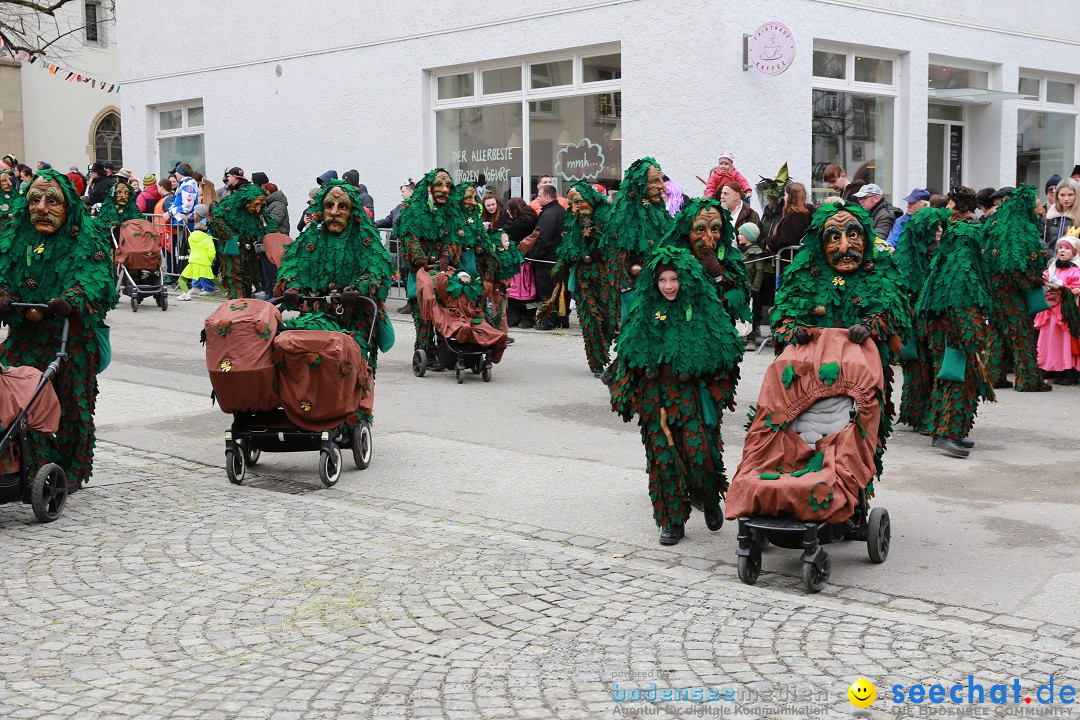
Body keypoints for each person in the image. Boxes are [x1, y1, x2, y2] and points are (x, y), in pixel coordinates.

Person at [608, 246, 745, 545]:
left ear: (684, 279)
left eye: (674, 279)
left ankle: (708, 497)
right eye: (662, 280)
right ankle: (672, 521)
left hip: (690, 397)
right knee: (663, 461)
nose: (668, 286)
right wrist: (627, 389)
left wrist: (699, 370)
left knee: (699, 454)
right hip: (655, 397)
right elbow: (628, 355)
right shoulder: (644, 308)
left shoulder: (703, 308)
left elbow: (727, 352)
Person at [770, 199, 911, 472]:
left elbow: (894, 308)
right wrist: (792, 327)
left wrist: (871, 325)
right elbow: (783, 311)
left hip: (860, 378)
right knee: (803, 438)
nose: (845, 247)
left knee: (858, 442)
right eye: (834, 237)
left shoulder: (881, 268)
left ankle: (854, 503)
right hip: (808, 379)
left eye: (853, 235)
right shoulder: (803, 269)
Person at [0, 169, 117, 491]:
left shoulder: (87, 234)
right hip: (24, 336)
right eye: (35, 199)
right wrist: (4, 297)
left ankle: (72, 469)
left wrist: (71, 300)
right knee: (14, 396)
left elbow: (98, 277)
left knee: (73, 404)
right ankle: (25, 459)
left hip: (69, 338)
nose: (42, 207)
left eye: (53, 201)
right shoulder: (13, 234)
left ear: (68, 206)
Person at [276, 180, 395, 396]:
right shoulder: (311, 238)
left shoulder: (364, 239)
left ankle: (355, 413)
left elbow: (377, 267)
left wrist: (359, 288)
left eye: (343, 207)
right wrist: (292, 286)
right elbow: (292, 265)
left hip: (355, 315)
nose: (334, 212)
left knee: (354, 370)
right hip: (317, 313)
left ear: (353, 212)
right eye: (329, 206)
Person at [914, 186, 996, 457]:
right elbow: (960, 294)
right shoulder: (962, 246)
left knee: (949, 374)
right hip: (953, 326)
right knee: (954, 376)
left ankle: (948, 431)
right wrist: (969, 331)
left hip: (944, 323)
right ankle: (947, 434)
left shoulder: (952, 244)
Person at [980, 184, 1051, 392]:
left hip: (994, 289)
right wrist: (1033, 280)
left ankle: (993, 376)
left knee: (997, 333)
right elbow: (1014, 264)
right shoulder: (1019, 225)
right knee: (1022, 334)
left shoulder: (993, 222)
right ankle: (1028, 380)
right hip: (1012, 291)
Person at [894, 205, 954, 433]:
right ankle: (917, 413)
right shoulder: (907, 253)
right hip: (913, 320)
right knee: (916, 367)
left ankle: (935, 413)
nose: (939, 231)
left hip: (938, 319)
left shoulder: (946, 252)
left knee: (936, 366)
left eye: (941, 226)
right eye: (934, 227)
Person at [551, 182, 618, 374]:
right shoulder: (573, 222)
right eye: (572, 204)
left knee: (608, 320)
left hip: (606, 276)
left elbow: (614, 245)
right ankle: (596, 361)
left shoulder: (606, 218)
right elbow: (568, 248)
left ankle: (602, 350)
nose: (576, 208)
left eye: (579, 203)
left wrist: (595, 234)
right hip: (583, 277)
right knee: (590, 319)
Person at [397, 168, 459, 352]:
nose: (445, 190)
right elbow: (409, 236)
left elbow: (453, 238)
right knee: (423, 317)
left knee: (443, 314)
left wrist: (447, 255)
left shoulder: (451, 213)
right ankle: (423, 349)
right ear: (429, 188)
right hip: (420, 272)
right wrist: (419, 258)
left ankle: (441, 350)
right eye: (439, 185)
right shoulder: (413, 211)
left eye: (448, 185)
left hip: (442, 272)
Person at [608, 158, 675, 321]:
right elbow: (616, 259)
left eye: (661, 180)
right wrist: (627, 290)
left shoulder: (659, 212)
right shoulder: (622, 216)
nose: (662, 186)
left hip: (661, 288)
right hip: (634, 290)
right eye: (655, 181)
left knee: (661, 327)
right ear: (639, 185)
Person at [207, 183, 268, 299]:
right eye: (256, 204)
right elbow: (215, 218)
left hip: (248, 249)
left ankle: (245, 303)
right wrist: (230, 236)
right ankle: (237, 305)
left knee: (247, 278)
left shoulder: (257, 211)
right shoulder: (230, 204)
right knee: (234, 277)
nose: (258, 208)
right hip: (233, 249)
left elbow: (269, 223)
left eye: (261, 205)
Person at [1035, 233, 1080, 385]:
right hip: (1050, 310)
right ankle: (1050, 367)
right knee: (1049, 339)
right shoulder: (1052, 268)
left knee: (1064, 340)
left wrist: (1066, 287)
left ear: (1074, 252)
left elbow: (1075, 288)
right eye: (1060, 247)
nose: (1062, 251)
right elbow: (1044, 277)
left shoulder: (1075, 270)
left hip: (1065, 311)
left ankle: (1067, 369)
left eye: (1066, 248)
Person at [531, 185, 567, 330]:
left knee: (547, 292)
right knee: (558, 291)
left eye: (539, 196)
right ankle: (561, 320)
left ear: (547, 197)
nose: (537, 198)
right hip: (556, 258)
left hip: (546, 260)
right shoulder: (560, 211)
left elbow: (543, 239)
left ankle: (548, 321)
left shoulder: (548, 214)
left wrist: (535, 256)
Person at [503, 198, 538, 327]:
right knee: (523, 290)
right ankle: (523, 316)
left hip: (523, 260)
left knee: (524, 291)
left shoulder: (524, 221)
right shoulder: (529, 217)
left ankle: (525, 317)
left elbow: (506, 229)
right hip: (524, 259)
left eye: (509, 210)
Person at [177, 204, 218, 300]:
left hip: (203, 253)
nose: (193, 215)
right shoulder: (202, 222)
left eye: (195, 213)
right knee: (198, 270)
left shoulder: (204, 224)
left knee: (204, 272)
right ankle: (196, 286)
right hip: (199, 253)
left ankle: (207, 288)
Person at [737, 222, 768, 348]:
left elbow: (759, 270)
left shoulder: (756, 252)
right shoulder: (740, 251)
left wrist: (755, 288)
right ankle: (739, 336)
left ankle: (751, 339)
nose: (738, 236)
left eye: (741, 234)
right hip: (741, 287)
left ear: (748, 237)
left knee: (753, 314)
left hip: (752, 289)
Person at [1043, 177, 1080, 257]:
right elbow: (1039, 238)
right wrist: (1050, 255)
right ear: (1057, 196)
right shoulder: (1048, 217)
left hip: (1074, 265)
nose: (1066, 199)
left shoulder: (1078, 216)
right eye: (1062, 195)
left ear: (1076, 195)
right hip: (1049, 264)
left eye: (1070, 195)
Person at [170, 163, 199, 229]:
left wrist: (171, 212)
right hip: (182, 223)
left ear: (181, 173)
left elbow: (187, 206)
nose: (175, 174)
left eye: (177, 172)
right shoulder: (184, 183)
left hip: (186, 224)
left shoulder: (187, 185)